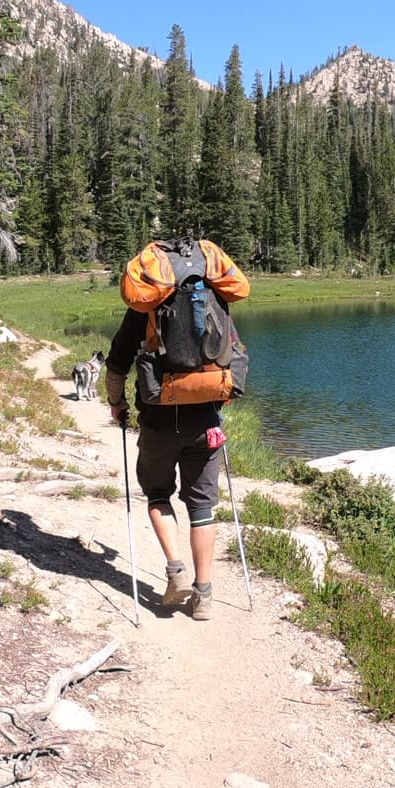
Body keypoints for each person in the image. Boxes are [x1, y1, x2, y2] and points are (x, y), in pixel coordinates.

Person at [103, 237, 250, 620]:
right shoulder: (217, 293)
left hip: (159, 418)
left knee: (156, 492)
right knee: (202, 506)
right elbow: (233, 350)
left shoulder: (149, 301)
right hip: (207, 417)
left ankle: (176, 571)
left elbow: (118, 360)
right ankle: (204, 595)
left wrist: (116, 404)